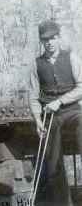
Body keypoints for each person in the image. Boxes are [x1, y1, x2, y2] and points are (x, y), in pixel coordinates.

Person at [29, 20, 82, 206]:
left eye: (53, 38)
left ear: (59, 38)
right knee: (53, 165)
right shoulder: (36, 64)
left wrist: (59, 101)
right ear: (41, 41)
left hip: (71, 111)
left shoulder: (71, 57)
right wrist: (37, 120)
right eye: (45, 39)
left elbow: (81, 87)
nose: (50, 42)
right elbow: (34, 97)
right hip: (50, 116)